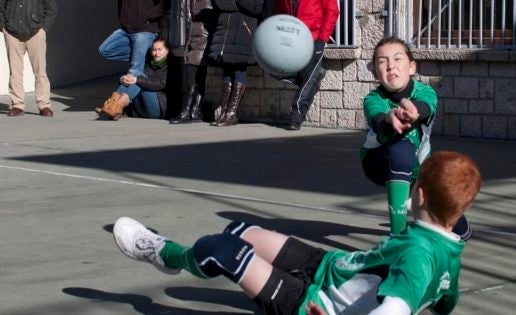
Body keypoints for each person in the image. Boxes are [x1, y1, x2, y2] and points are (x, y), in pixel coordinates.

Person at [113, 150, 482, 315]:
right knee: (242, 232)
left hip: (311, 302)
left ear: (417, 193)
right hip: (330, 267)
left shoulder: (419, 253)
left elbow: (398, 307)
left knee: (217, 249)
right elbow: (446, 299)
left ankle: (163, 253)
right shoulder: (449, 249)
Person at [360, 37, 471, 239]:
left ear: (412, 67)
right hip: (377, 161)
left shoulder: (425, 91)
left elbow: (425, 106)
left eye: (397, 58)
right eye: (382, 61)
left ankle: (447, 224)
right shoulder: (373, 98)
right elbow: (376, 118)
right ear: (375, 73)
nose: (390, 65)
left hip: (418, 165)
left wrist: (413, 110)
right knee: (400, 147)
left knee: (459, 227)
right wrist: (389, 117)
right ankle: (398, 238)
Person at [274, 0, 339, 130]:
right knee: (276, 70)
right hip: (293, 39)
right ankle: (316, 73)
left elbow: (332, 12)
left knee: (308, 80)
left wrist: (322, 39)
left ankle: (296, 116)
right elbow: (280, 13)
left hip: (314, 38)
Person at [208, 0, 263, 127]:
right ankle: (224, 112)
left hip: (244, 30)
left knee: (239, 69)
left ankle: (231, 113)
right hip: (226, 31)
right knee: (227, 70)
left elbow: (257, 8)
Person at [0, 0, 57, 117]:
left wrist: (43, 28)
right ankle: (17, 105)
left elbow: (51, 9)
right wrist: (3, 27)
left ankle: (44, 105)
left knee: (40, 71)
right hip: (12, 34)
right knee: (15, 72)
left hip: (35, 33)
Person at [97, 37, 170, 120]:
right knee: (136, 76)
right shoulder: (149, 64)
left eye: (160, 49)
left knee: (137, 76)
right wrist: (122, 80)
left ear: (167, 50)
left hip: (157, 111)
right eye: (154, 50)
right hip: (142, 110)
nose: (156, 53)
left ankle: (116, 106)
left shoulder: (171, 65)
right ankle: (112, 106)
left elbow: (161, 84)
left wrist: (136, 80)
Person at [169, 0, 217, 124]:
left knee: (192, 75)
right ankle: (195, 111)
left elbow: (204, 13)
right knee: (198, 75)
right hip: (194, 37)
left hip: (202, 37)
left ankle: (187, 111)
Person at [98, 0, 168, 77]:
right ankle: (144, 56)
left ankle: (124, 88)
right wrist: (123, 19)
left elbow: (165, 3)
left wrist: (146, 16)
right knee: (105, 50)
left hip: (145, 29)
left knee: (135, 70)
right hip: (126, 29)